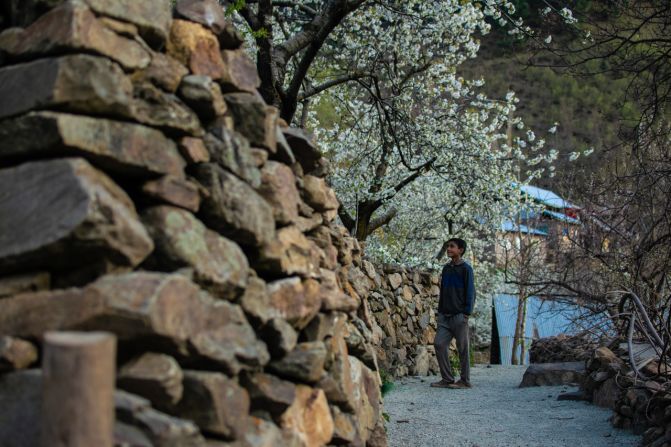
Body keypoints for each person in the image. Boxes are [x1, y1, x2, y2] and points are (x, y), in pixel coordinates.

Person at [431, 238, 475, 389]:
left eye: (452, 246)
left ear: (460, 250)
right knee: (439, 344)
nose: (448, 249)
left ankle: (465, 381)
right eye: (448, 246)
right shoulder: (446, 269)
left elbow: (470, 292)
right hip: (445, 316)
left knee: (462, 348)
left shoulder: (466, 269)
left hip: (459, 316)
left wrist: (466, 313)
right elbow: (443, 291)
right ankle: (447, 378)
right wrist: (440, 311)